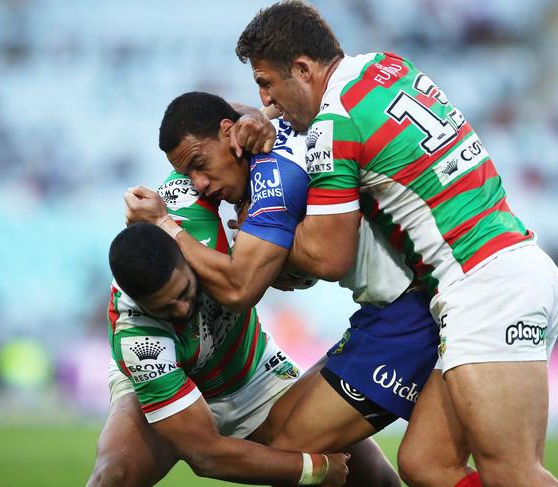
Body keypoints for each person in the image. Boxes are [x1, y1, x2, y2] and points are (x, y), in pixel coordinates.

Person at [234, 2, 558, 487]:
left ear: (303, 69)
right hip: (503, 268)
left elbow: (328, 258)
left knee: (512, 471)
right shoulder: (386, 66)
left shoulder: (334, 123)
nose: (265, 100)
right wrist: (267, 124)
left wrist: (256, 228)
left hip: (486, 286)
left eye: (267, 83)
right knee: (426, 464)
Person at [123, 91, 442, 486]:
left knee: (299, 453)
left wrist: (166, 227)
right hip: (381, 313)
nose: (200, 184)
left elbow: (244, 287)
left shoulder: (272, 171)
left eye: (200, 165)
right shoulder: (261, 144)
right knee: (422, 466)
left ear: (230, 135)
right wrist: (255, 114)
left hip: (405, 312)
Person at [87, 173, 350, 487]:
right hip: (174, 385)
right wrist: (313, 469)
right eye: (165, 310)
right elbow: (205, 455)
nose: (182, 309)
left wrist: (260, 122)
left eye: (185, 292)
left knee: (375, 478)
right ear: (141, 304)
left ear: (185, 254)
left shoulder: (186, 205)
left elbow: (215, 145)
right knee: (113, 476)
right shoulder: (137, 338)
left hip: (253, 371)